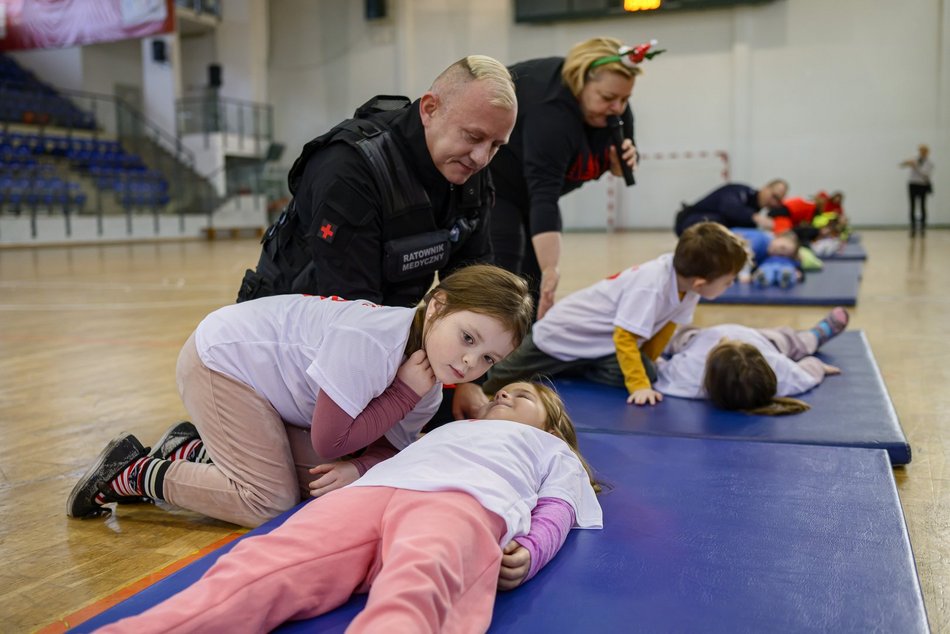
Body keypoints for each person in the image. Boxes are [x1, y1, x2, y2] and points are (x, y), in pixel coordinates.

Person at [91, 382, 604, 634]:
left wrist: (532, 550)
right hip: (368, 498)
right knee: (257, 569)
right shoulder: (450, 427)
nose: (508, 391)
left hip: (462, 507)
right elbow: (392, 454)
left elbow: (559, 507)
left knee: (419, 586)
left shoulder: (550, 450)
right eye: (505, 391)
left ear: (553, 425)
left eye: (528, 395)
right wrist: (356, 474)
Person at [67, 265, 534, 528]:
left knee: (325, 481)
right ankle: (135, 471)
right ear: (437, 306)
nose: (471, 364)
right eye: (468, 338)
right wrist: (399, 397)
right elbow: (334, 440)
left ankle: (195, 451)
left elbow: (391, 452)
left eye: (489, 359)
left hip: (267, 392)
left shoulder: (427, 382)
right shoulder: (378, 344)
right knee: (268, 502)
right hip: (220, 364)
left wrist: (358, 467)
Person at [236, 55, 519, 422]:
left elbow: (477, 288)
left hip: (373, 343)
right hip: (284, 354)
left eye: (497, 145)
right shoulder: (349, 169)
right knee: (303, 477)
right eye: (474, 136)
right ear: (430, 109)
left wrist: (466, 383)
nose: (482, 157)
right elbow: (353, 315)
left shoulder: (468, 169)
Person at [483, 221, 749, 406]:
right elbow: (624, 338)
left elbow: (667, 326)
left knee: (647, 371)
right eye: (727, 281)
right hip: (560, 335)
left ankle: (580, 365)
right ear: (702, 282)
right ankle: (479, 385)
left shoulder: (689, 290)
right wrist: (639, 386)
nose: (729, 286)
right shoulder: (651, 286)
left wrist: (648, 363)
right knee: (504, 374)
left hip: (600, 346)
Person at [489, 37, 662, 319]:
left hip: (532, 187)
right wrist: (551, 270)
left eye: (625, 99)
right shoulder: (553, 115)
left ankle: (527, 342)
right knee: (506, 266)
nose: (618, 107)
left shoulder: (614, 110)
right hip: (496, 180)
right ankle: (494, 346)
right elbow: (544, 195)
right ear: (580, 83)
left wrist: (622, 164)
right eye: (608, 98)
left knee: (532, 278)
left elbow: (625, 162)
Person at [653, 307, 850, 415]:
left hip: (698, 338)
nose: (729, 337)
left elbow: (658, 369)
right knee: (791, 341)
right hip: (764, 339)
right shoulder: (777, 372)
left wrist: (655, 356)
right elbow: (808, 371)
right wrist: (819, 366)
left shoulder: (689, 375)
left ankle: (658, 335)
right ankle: (815, 335)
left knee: (677, 338)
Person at [674, 179, 788, 236]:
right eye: (774, 196)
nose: (774, 202)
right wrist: (756, 218)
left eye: (778, 201)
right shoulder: (741, 191)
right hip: (689, 222)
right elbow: (729, 208)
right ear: (765, 187)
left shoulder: (753, 210)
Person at [731, 227, 804, 289]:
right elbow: (750, 259)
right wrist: (747, 274)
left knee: (787, 271)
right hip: (765, 266)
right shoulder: (761, 246)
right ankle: (762, 278)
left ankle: (786, 278)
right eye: (780, 248)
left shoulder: (790, 260)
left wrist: (798, 274)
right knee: (764, 271)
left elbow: (799, 268)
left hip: (785, 268)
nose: (779, 252)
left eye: (784, 250)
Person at [900, 144, 934, 236]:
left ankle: (923, 228)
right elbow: (901, 165)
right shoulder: (915, 158)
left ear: (927, 152)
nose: (921, 152)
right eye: (920, 150)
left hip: (922, 185)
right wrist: (906, 163)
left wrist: (916, 166)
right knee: (912, 206)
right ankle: (913, 227)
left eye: (924, 151)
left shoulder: (929, 163)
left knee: (922, 206)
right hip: (912, 184)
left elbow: (925, 173)